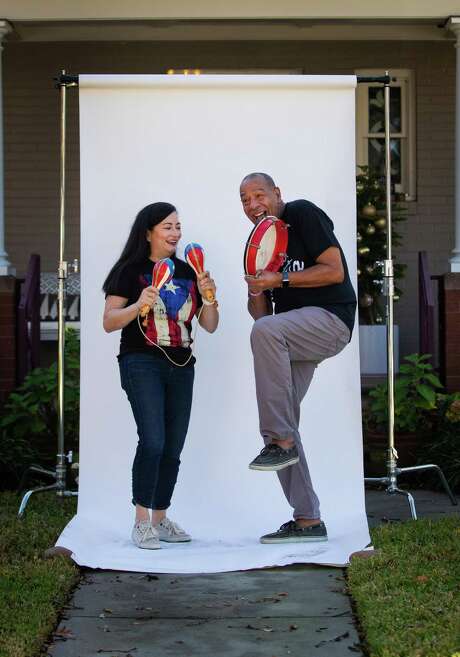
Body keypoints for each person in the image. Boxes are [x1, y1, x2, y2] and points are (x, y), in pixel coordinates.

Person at [240, 173, 356, 545]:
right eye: (244, 199)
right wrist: (257, 284)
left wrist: (280, 281)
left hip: (331, 319)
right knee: (280, 422)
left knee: (280, 432)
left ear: (278, 194)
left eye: (259, 194)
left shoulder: (301, 214)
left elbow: (334, 270)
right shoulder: (261, 245)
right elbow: (263, 318)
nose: (253, 204)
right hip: (293, 335)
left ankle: (282, 443)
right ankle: (308, 520)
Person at [102, 202, 218, 549]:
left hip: (182, 365)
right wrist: (139, 304)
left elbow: (209, 326)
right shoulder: (130, 270)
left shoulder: (187, 271)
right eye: (168, 226)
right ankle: (141, 522)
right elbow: (109, 322)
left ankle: (160, 518)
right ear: (148, 232)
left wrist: (209, 297)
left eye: (178, 226)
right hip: (141, 362)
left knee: (172, 446)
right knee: (152, 439)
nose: (176, 233)